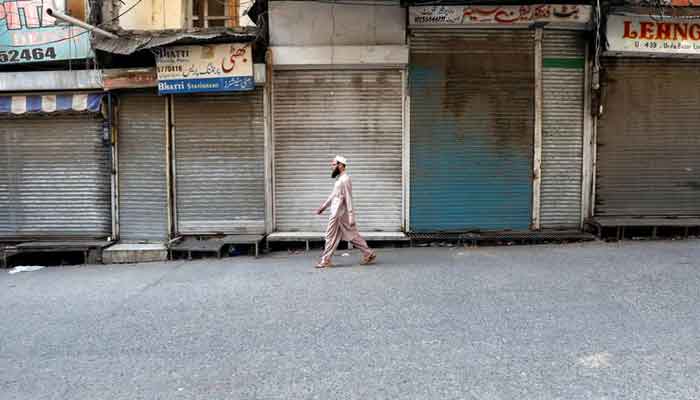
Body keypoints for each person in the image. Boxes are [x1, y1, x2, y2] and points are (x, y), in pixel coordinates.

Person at [314, 155, 376, 268]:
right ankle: (368, 253)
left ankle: (325, 260)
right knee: (352, 236)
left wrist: (351, 216)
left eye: (333, 164)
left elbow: (349, 198)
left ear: (341, 165)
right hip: (338, 213)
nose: (331, 167)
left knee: (330, 236)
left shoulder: (345, 179)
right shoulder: (340, 179)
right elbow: (333, 195)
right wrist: (323, 207)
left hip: (338, 214)